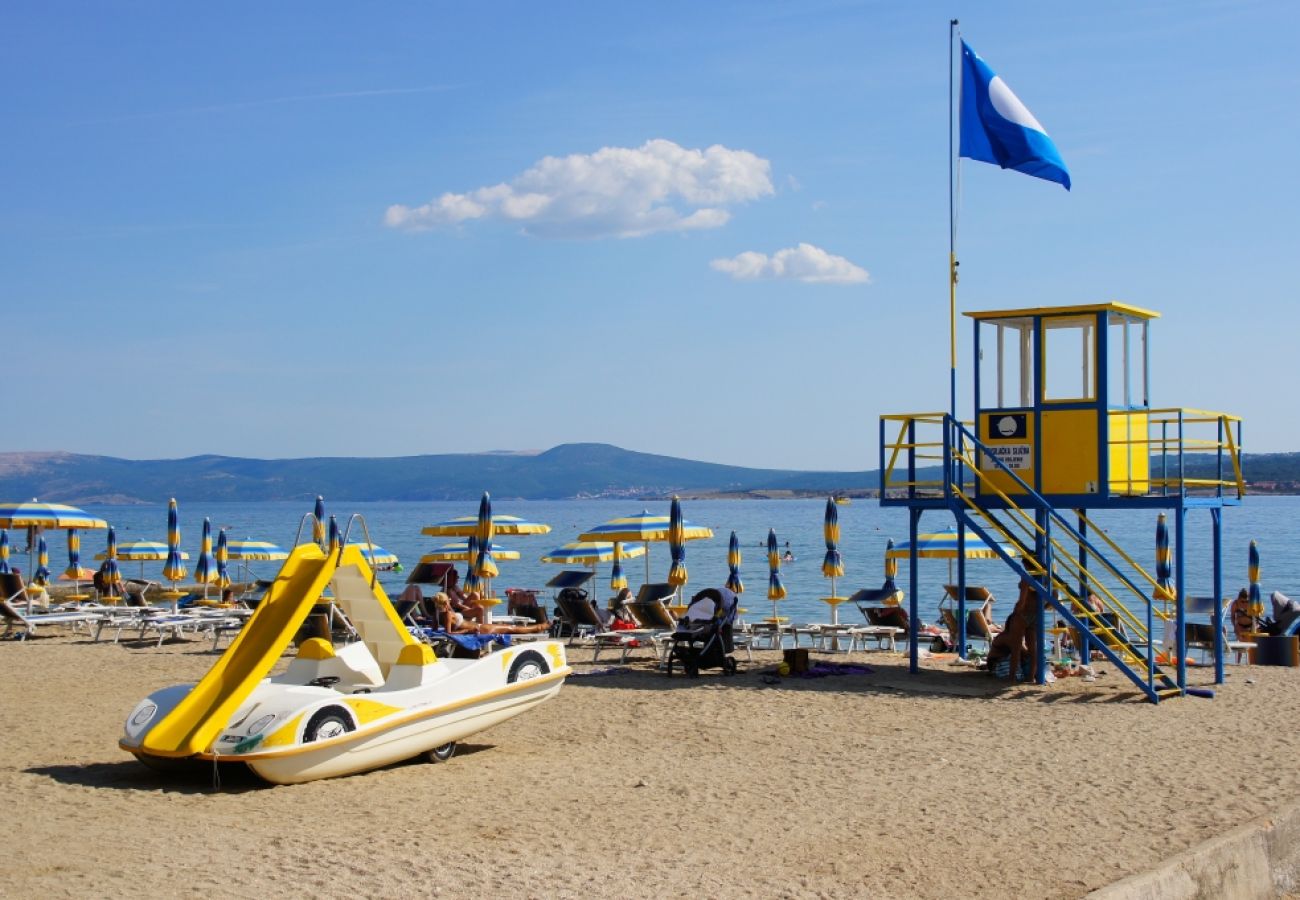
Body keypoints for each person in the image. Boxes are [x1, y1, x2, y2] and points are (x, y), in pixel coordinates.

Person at [429, 593, 549, 635]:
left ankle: (538, 627)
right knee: (511, 628)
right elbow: (449, 633)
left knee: (507, 627)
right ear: (445, 603)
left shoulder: (438, 615)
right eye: (448, 602)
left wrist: (447, 606)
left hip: (478, 627)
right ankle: (539, 627)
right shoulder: (448, 615)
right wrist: (465, 631)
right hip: (480, 628)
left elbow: (435, 629)